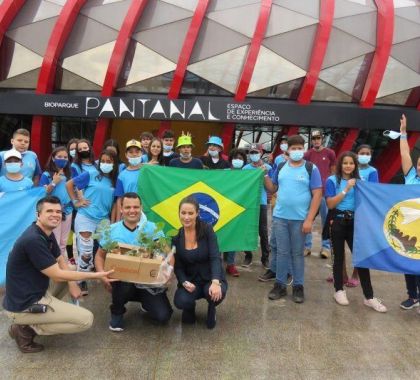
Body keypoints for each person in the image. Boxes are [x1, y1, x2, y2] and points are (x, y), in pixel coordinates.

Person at [3, 196, 114, 353]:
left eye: (58, 211)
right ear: (38, 215)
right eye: (49, 211)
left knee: (69, 272)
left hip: (34, 291)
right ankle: (26, 329)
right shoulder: (33, 239)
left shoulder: (45, 231)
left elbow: (60, 259)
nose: (55, 215)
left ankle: (42, 314)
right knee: (85, 320)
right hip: (23, 305)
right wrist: (97, 275)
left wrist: (73, 284)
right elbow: (57, 275)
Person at [95, 192, 173, 331]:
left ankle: (146, 301)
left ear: (141, 208)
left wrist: (168, 272)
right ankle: (117, 311)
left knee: (164, 316)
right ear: (121, 208)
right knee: (122, 279)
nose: (132, 211)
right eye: (128, 207)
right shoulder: (111, 231)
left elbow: (168, 253)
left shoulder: (152, 228)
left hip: (147, 282)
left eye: (136, 207)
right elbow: (100, 256)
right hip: (122, 283)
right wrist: (102, 274)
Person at [325, 151, 387, 312]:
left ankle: (369, 297)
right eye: (345, 163)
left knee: (361, 260)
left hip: (357, 223)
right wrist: (346, 189)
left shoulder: (361, 182)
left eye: (351, 163)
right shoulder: (332, 180)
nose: (348, 166)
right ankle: (339, 290)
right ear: (340, 164)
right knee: (338, 258)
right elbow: (330, 204)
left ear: (355, 165)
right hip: (338, 221)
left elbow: (373, 200)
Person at [264, 135, 322, 303]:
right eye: (293, 148)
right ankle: (280, 285)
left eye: (300, 148)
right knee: (282, 252)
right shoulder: (281, 166)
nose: (297, 151)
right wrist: (265, 176)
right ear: (288, 150)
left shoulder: (311, 168)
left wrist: (309, 220)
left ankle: (298, 286)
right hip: (280, 217)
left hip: (300, 220)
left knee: (297, 254)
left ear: (303, 149)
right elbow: (273, 188)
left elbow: (317, 194)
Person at [66, 150, 118, 295]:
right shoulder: (90, 174)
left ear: (114, 163)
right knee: (86, 251)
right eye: (103, 161)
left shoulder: (116, 180)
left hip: (104, 220)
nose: (106, 164)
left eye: (109, 161)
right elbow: (70, 184)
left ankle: (103, 276)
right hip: (86, 216)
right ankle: (80, 280)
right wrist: (76, 201)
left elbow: (115, 202)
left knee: (106, 250)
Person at [173, 195, 227, 329]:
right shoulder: (176, 237)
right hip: (191, 281)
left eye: (190, 213)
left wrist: (216, 282)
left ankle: (212, 308)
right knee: (181, 302)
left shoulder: (207, 229)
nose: (186, 217)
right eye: (183, 213)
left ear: (197, 213)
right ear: (179, 213)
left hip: (210, 278)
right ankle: (190, 308)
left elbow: (215, 257)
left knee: (215, 294)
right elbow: (178, 267)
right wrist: (184, 281)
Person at [398, 114, 420, 312]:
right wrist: (403, 134)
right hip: (409, 230)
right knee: (408, 263)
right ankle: (412, 296)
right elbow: (405, 155)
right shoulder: (411, 176)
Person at [304, 130, 336, 258]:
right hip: (310, 193)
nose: (316, 140)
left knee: (326, 221)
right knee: (308, 219)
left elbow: (333, 172)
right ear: (311, 140)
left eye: (318, 138)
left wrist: (333, 190)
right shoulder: (307, 154)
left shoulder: (330, 153)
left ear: (322, 139)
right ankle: (307, 246)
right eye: (314, 138)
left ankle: (326, 247)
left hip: (325, 194)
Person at [39, 147, 73, 259]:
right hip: (53, 211)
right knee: (55, 240)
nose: (62, 159)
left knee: (63, 241)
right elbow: (42, 193)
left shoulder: (69, 175)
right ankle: (52, 265)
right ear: (53, 158)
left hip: (67, 211)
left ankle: (60, 265)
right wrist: (54, 182)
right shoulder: (46, 175)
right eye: (59, 157)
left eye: (65, 157)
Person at [242, 143, 271, 269]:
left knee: (263, 231)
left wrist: (264, 173)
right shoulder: (245, 169)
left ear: (261, 153)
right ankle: (248, 255)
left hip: (261, 202)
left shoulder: (268, 167)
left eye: (256, 152)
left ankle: (265, 257)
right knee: (247, 230)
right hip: (248, 203)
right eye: (251, 152)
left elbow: (269, 187)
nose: (254, 155)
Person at [223, 148, 248, 277]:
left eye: (240, 158)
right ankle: (216, 263)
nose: (237, 160)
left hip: (237, 210)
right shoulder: (224, 172)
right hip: (223, 208)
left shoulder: (247, 174)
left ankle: (231, 264)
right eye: (235, 158)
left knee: (233, 235)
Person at [114, 139, 144, 221]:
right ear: (126, 155)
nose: (134, 154)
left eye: (137, 152)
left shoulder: (147, 171)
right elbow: (119, 199)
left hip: (145, 214)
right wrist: (118, 220)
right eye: (131, 152)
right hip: (129, 214)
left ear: (141, 154)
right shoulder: (122, 175)